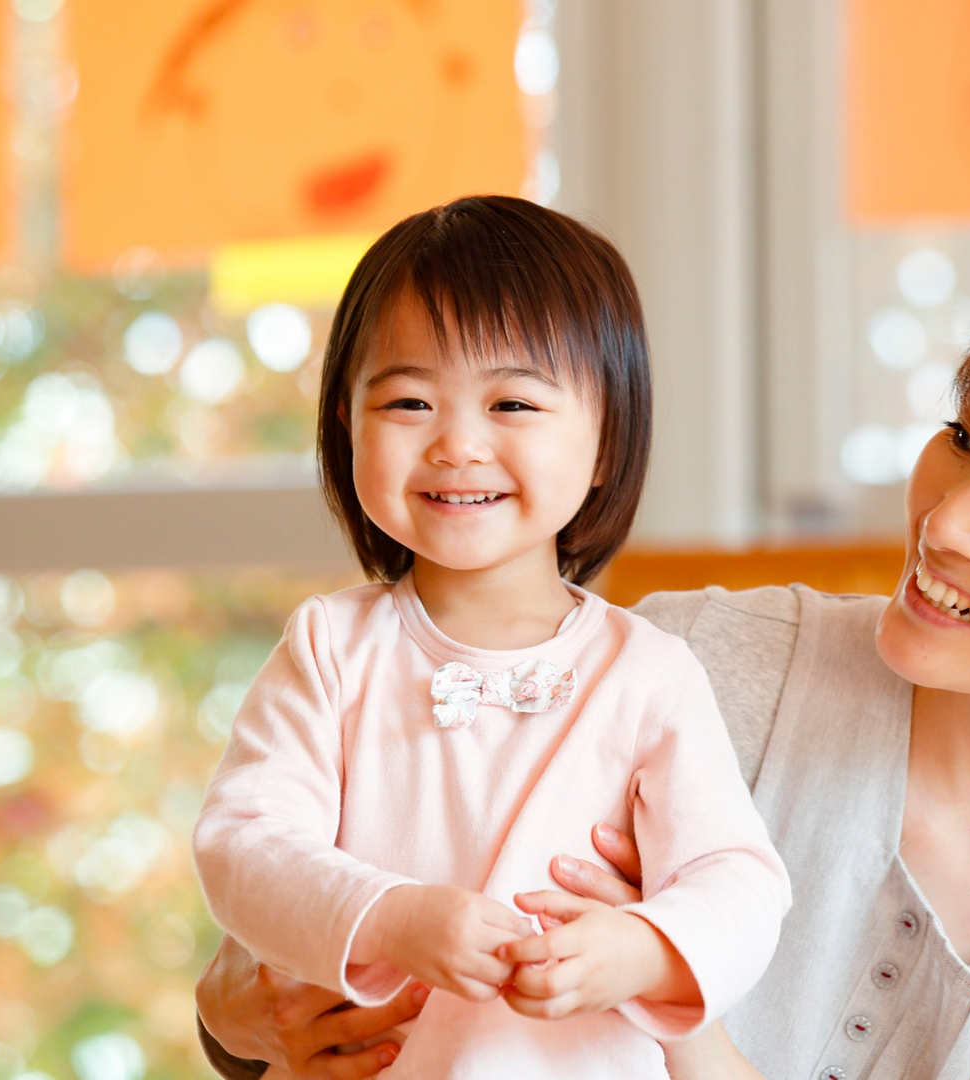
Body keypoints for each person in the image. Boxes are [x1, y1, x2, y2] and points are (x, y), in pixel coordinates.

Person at [196, 253, 970, 1080]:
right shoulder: (702, 660)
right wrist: (245, 1020)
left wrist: (689, 1037)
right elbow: (338, 903)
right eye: (962, 439)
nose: (948, 520)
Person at [191, 196, 791, 1079]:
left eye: (512, 401)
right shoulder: (329, 648)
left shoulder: (649, 672)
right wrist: (389, 917)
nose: (458, 443)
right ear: (343, 426)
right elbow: (244, 846)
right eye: (407, 401)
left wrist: (641, 949)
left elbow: (738, 880)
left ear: (604, 442)